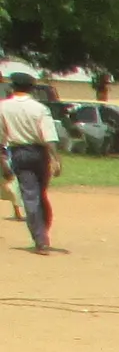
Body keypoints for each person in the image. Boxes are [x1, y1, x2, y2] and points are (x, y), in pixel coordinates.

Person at [2, 72, 62, 254]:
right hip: (39, 153)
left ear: (12, 87)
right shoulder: (39, 108)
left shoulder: (3, 107)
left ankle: (40, 239)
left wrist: (3, 162)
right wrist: (56, 159)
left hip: (19, 152)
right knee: (40, 194)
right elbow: (49, 136)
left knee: (30, 195)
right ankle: (43, 232)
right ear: (32, 88)